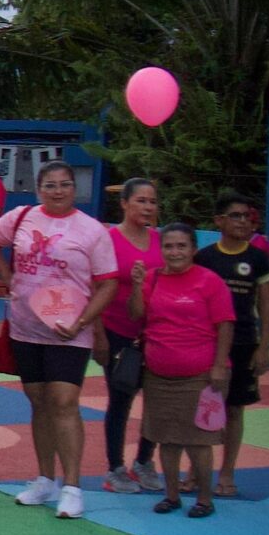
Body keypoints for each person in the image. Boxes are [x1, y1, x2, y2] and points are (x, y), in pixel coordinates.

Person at [0, 160, 118, 520]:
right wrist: (8, 277)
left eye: (65, 185)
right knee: (39, 400)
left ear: (75, 189)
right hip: (27, 327)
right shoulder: (22, 217)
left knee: (65, 400)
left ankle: (73, 487)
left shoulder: (92, 231)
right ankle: (45, 479)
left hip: (70, 330)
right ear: (39, 189)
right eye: (50, 185)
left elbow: (108, 284)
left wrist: (84, 321)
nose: (58, 191)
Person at [135, 222, 234, 517]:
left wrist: (218, 365)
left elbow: (225, 324)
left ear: (193, 249)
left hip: (200, 374)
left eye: (181, 246)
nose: (175, 252)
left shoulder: (210, 281)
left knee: (199, 440)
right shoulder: (152, 279)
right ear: (161, 249)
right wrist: (138, 285)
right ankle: (172, 495)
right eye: (168, 246)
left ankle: (204, 499)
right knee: (166, 437)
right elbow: (136, 315)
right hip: (158, 373)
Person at [197, 192, 269, 498]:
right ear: (219, 221)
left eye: (247, 216)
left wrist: (263, 347)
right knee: (203, 407)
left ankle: (227, 473)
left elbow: (266, 305)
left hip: (244, 342)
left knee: (234, 410)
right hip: (207, 343)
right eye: (236, 216)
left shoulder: (258, 258)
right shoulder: (205, 258)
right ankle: (196, 470)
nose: (243, 221)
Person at [99, 177, 163, 491]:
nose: (148, 207)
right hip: (117, 332)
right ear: (124, 203)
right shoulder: (108, 239)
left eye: (152, 201)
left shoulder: (161, 241)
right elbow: (95, 287)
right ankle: (115, 468)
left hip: (155, 334)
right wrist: (97, 334)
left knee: (156, 400)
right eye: (141, 200)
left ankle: (144, 460)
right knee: (121, 398)